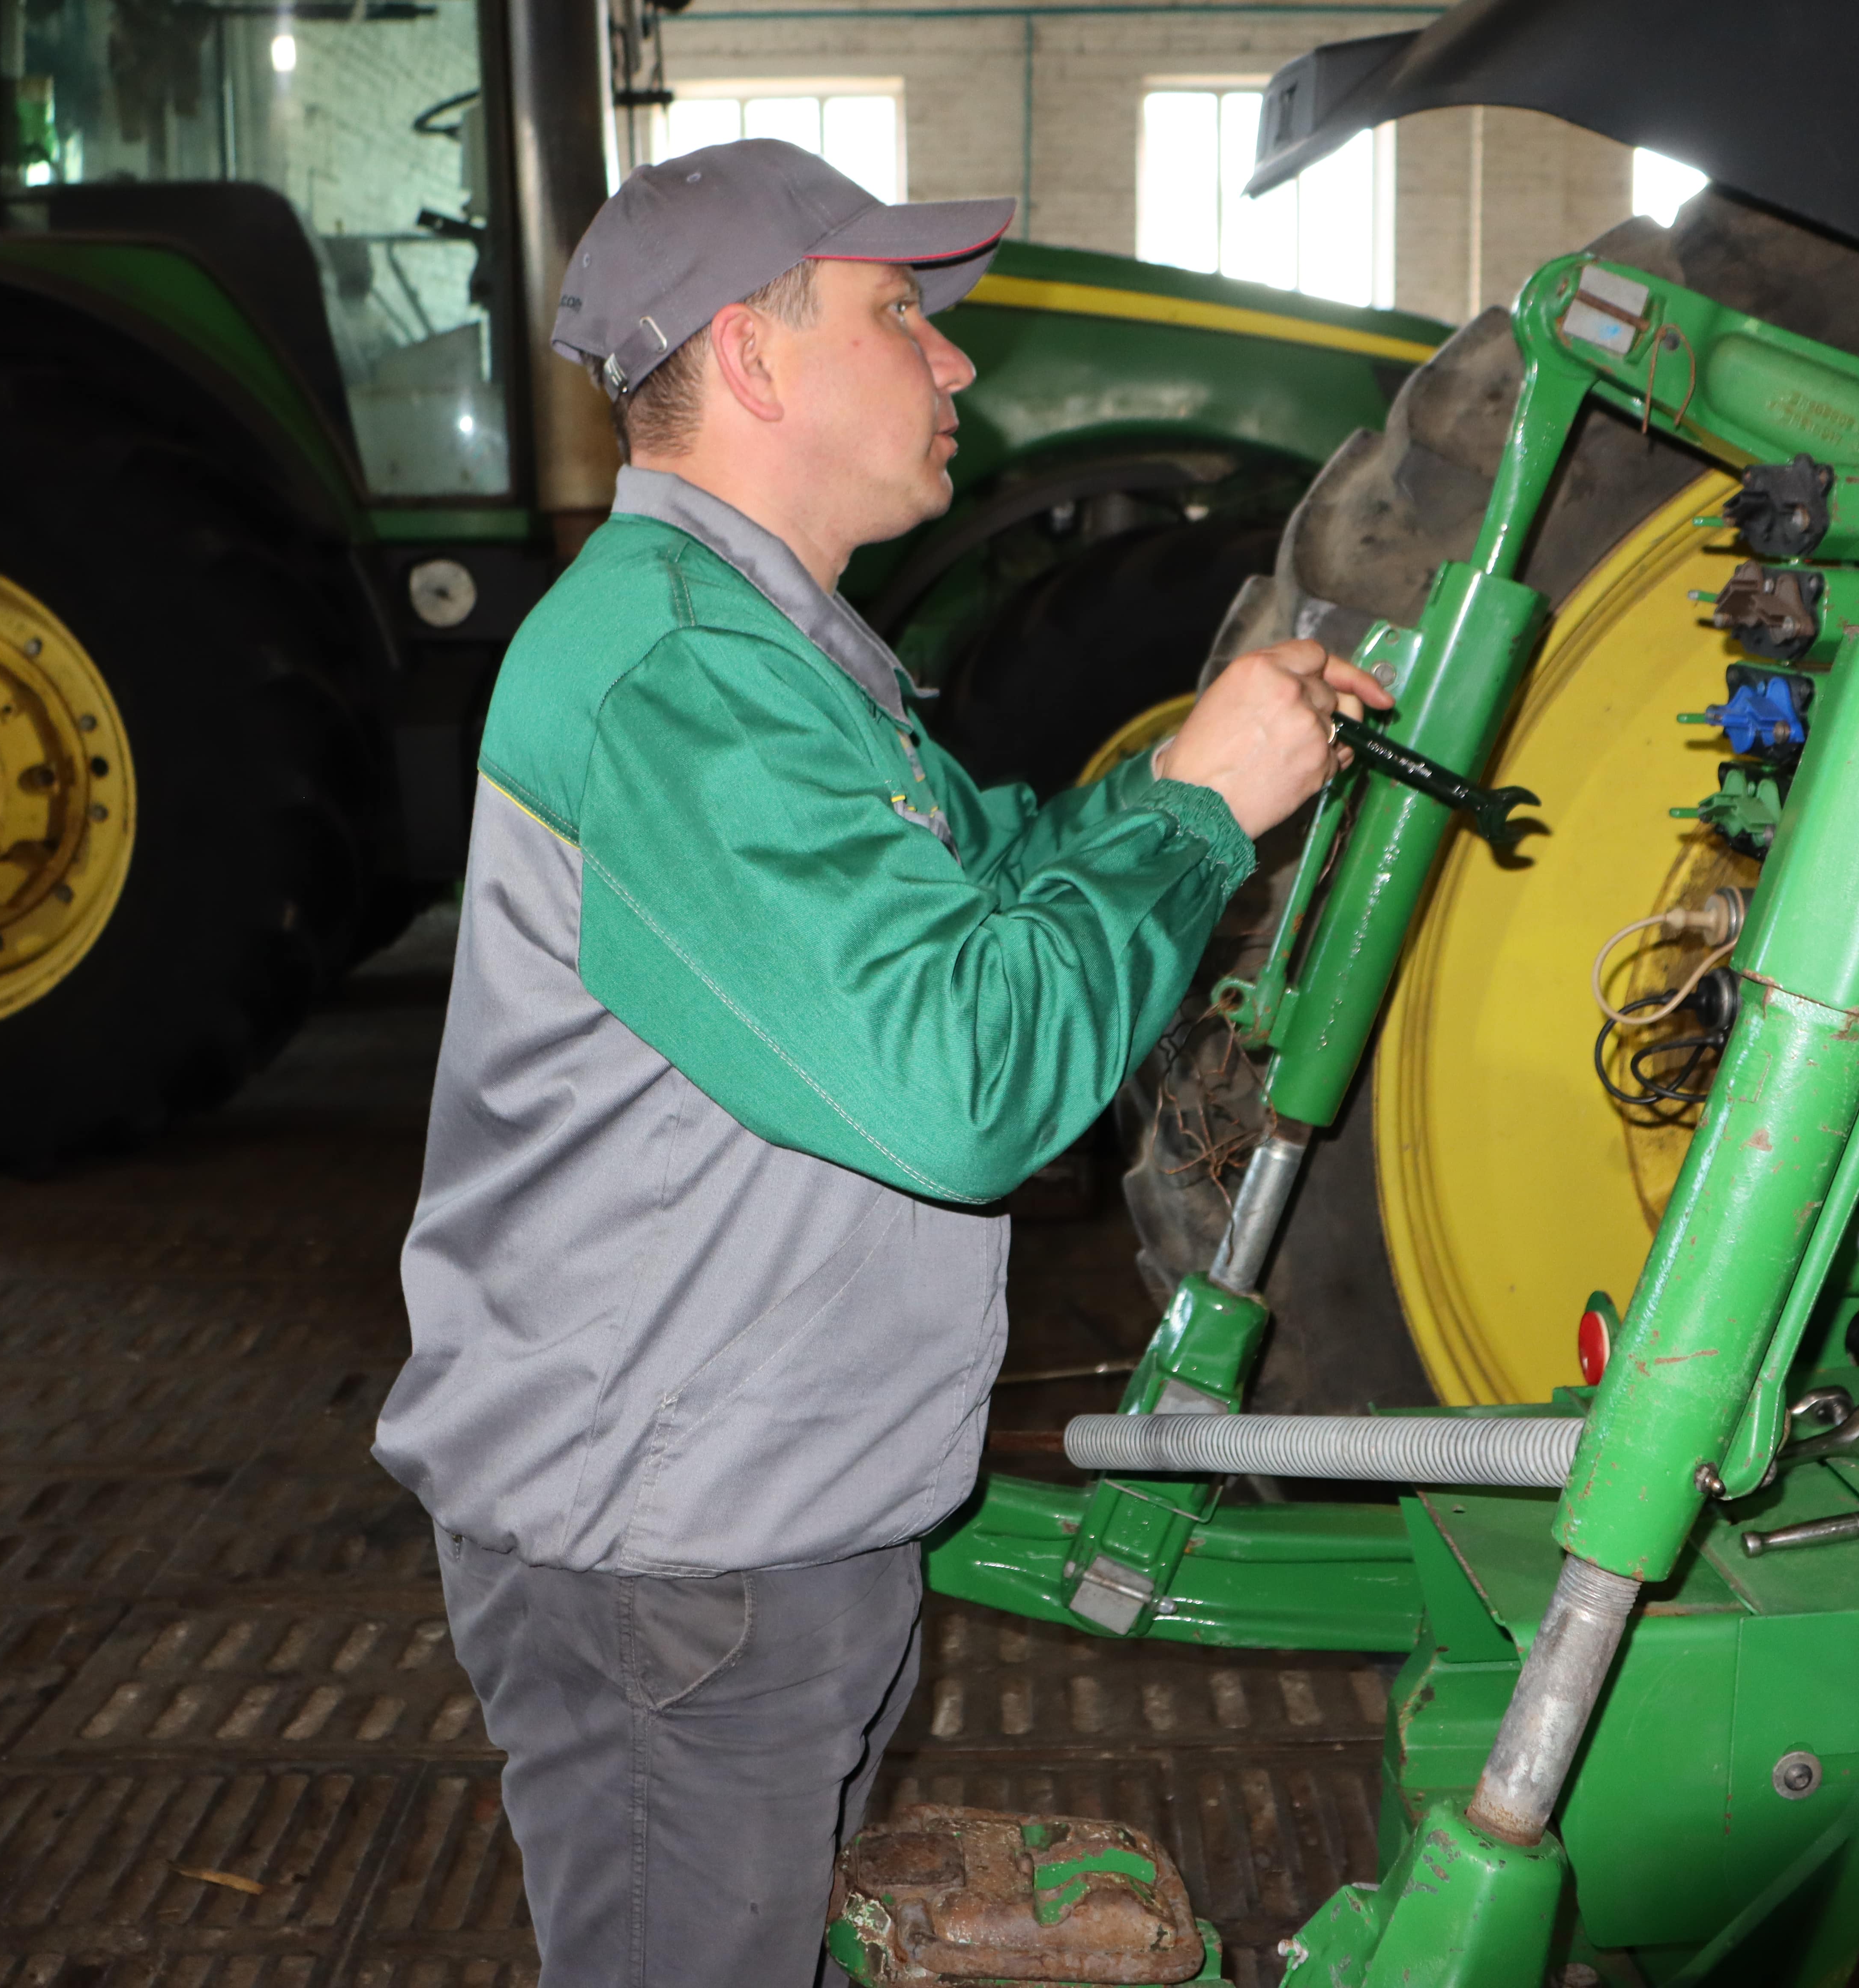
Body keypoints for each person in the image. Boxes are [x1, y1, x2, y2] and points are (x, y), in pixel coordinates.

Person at [373, 138, 1387, 1988]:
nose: (956, 367)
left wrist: (1181, 798)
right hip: (677, 1554)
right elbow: (962, 1082)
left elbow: (982, 885)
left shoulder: (776, 653)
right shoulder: (679, 676)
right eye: (900, 314)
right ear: (751, 360)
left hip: (748, 1511)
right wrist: (1193, 810)